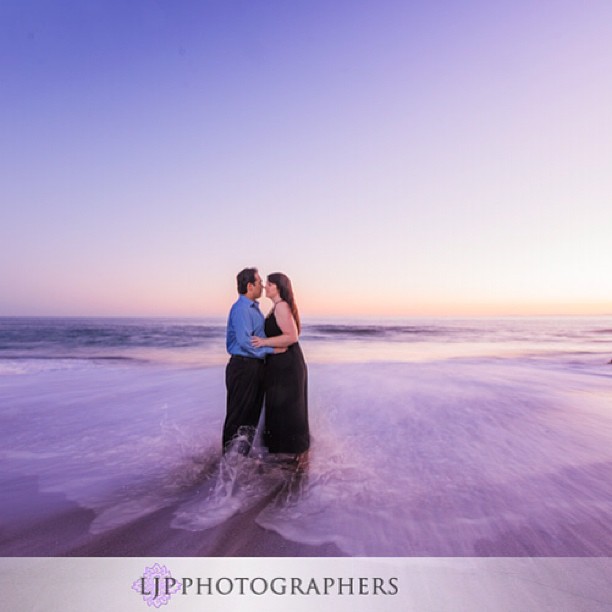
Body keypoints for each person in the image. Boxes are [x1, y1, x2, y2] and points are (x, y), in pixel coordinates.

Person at [252, 272, 310, 456]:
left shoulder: (282, 306)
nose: (265, 287)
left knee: (287, 405)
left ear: (278, 287)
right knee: (281, 405)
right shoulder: (276, 306)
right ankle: (282, 449)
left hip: (287, 363)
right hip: (282, 362)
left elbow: (292, 337)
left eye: (269, 284)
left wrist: (263, 343)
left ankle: (290, 450)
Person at [223, 267, 277, 455]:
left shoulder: (254, 308)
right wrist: (273, 350)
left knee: (251, 417)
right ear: (249, 286)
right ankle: (226, 461)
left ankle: (241, 460)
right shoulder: (241, 309)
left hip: (254, 367)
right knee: (237, 416)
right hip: (243, 367)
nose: (262, 286)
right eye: (259, 282)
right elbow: (245, 342)